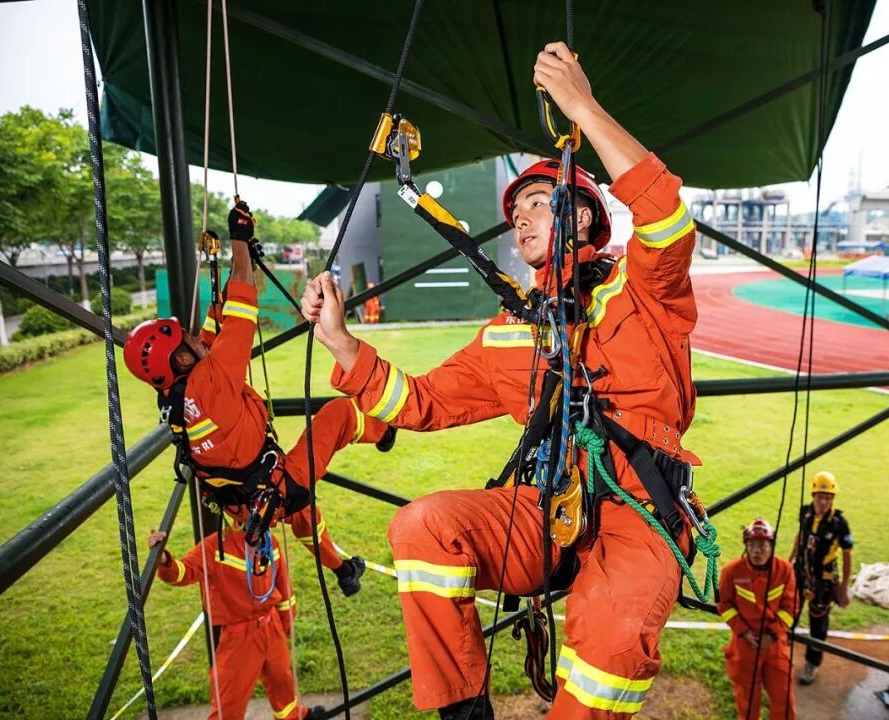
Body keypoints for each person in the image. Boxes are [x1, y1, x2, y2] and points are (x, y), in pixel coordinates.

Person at [302, 42, 700, 719]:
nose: (519, 216)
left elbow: (665, 214)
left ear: (581, 217)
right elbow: (419, 402)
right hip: (545, 505)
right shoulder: (516, 329)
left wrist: (582, 107)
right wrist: (342, 343)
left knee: (607, 645)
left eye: (539, 202)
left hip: (639, 513)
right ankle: (463, 711)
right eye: (517, 211)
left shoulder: (644, 291)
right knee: (423, 527)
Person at [123, 200, 396, 597]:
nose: (195, 339)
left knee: (304, 519)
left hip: (245, 502)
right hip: (274, 485)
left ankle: (343, 570)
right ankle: (384, 431)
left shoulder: (177, 395)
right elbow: (243, 307)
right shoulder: (211, 380)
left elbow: (214, 331)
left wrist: (229, 271)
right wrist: (239, 242)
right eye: (187, 341)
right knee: (338, 414)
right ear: (181, 358)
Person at [148, 524, 323, 720]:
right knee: (230, 698)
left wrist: (286, 619)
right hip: (240, 637)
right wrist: (163, 560)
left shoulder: (269, 541)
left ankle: (292, 716)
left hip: (272, 626)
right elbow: (184, 571)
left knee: (281, 680)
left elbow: (282, 581)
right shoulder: (214, 546)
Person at [718, 517, 798, 720]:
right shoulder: (731, 572)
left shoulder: (784, 571)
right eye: (752, 545)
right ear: (746, 546)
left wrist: (772, 634)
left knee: (784, 699)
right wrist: (744, 632)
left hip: (775, 645)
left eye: (762, 545)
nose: (757, 551)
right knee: (747, 700)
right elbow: (725, 605)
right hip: (745, 644)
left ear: (771, 546)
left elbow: (790, 608)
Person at [789, 470, 853, 686]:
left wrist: (843, 588)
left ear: (832, 499)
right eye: (820, 497)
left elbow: (847, 554)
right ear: (813, 496)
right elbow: (801, 535)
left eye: (827, 498)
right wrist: (789, 562)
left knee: (818, 623)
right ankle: (782, 651)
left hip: (823, 581)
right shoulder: (805, 512)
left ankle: (811, 663)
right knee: (790, 612)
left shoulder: (838, 523)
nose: (823, 502)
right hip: (801, 571)